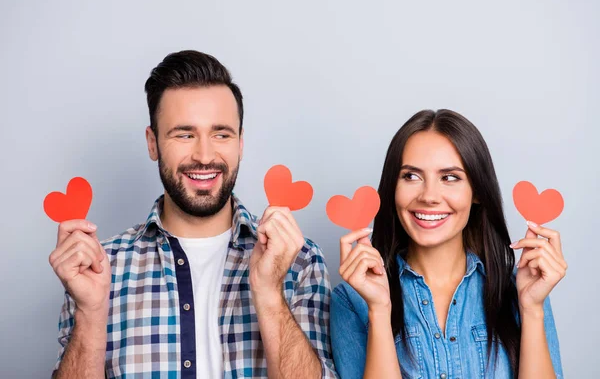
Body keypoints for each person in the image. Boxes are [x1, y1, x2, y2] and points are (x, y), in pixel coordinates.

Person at [49, 50, 337, 378]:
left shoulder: (299, 260)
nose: (204, 155)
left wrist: (270, 294)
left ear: (240, 143)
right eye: (185, 134)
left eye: (221, 134)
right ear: (153, 142)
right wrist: (89, 312)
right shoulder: (99, 267)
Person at [330, 109, 565, 378]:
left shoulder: (523, 290)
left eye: (450, 177)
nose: (429, 196)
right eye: (411, 176)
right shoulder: (352, 299)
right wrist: (380, 311)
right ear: (392, 189)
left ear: (476, 191)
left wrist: (532, 309)